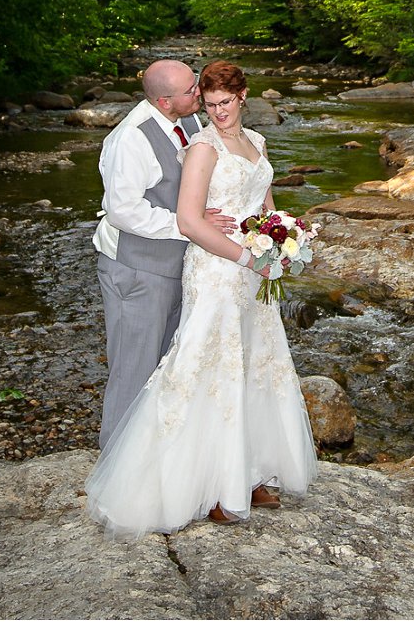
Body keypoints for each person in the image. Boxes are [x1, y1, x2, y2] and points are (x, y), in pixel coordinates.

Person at [84, 60, 318, 534]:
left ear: (243, 96)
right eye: (200, 97)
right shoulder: (138, 140)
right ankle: (135, 472)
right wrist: (243, 254)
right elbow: (140, 212)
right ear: (165, 100)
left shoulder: (219, 129)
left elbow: (259, 200)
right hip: (165, 266)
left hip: (239, 269)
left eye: (217, 99)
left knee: (252, 364)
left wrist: (279, 237)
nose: (208, 106)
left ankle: (245, 469)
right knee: (165, 367)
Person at [92, 59, 235, 448]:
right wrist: (188, 223)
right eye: (191, 90)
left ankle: (155, 458)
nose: (199, 94)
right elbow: (124, 211)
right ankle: (115, 467)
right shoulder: (130, 140)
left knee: (169, 367)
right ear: (164, 101)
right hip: (138, 272)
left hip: (180, 266)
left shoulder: (190, 121)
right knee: (133, 371)